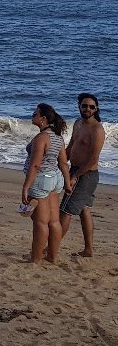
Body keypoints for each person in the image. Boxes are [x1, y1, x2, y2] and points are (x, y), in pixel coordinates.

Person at [21, 103, 71, 264]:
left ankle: (35, 259)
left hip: (41, 179)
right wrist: (67, 183)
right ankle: (52, 257)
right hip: (55, 178)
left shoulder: (42, 138)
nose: (32, 116)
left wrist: (26, 187)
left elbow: (35, 164)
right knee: (54, 221)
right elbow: (63, 163)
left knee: (40, 222)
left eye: (35, 114)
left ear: (43, 119)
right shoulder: (58, 137)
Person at [61, 93, 106, 257]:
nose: (88, 109)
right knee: (84, 209)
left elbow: (93, 159)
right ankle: (88, 250)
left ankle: (51, 248)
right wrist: (60, 162)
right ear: (79, 106)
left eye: (92, 107)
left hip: (86, 175)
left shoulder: (97, 130)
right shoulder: (78, 123)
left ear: (96, 109)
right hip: (74, 170)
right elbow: (72, 145)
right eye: (85, 105)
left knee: (65, 211)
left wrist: (75, 176)